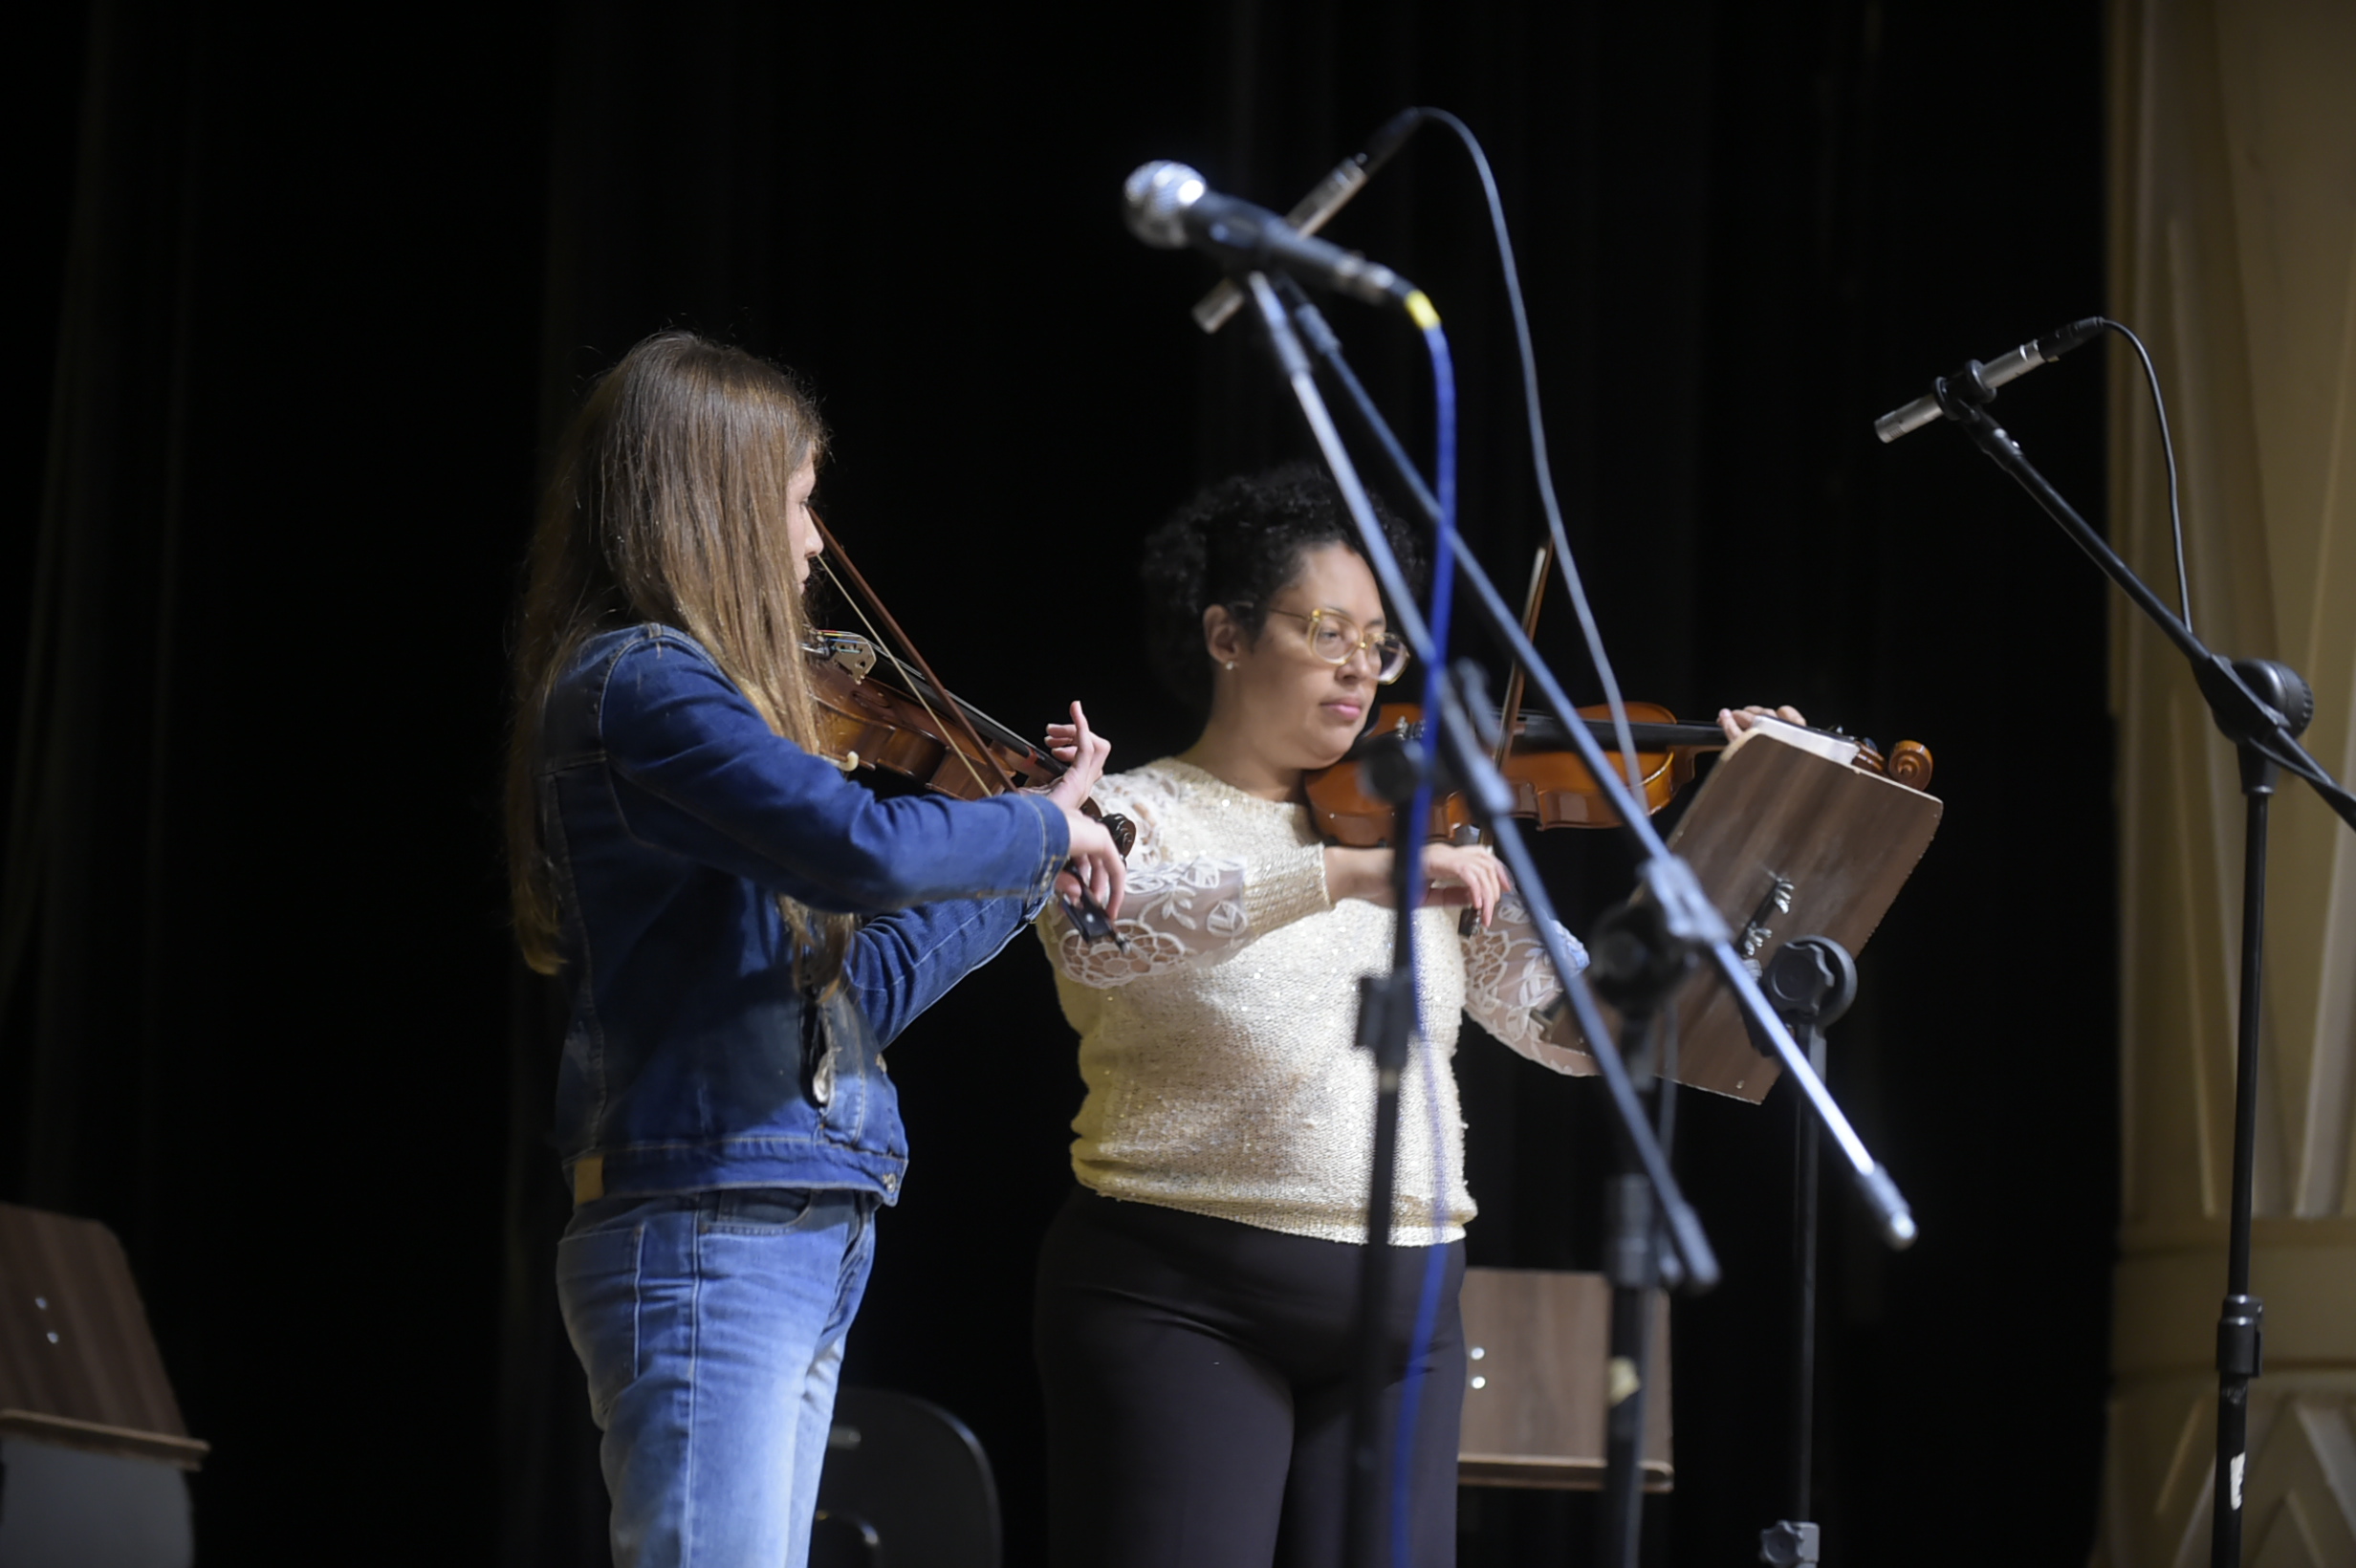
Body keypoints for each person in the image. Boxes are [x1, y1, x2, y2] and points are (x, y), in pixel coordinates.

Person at [1031, 465, 1797, 1568]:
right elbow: (1103, 934)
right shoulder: (1127, 810)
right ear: (1227, 634)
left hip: (1409, 1312)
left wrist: (1742, 830)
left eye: (1379, 643)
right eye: (1326, 631)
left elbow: (1575, 1029)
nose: (1359, 666)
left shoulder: (1424, 825)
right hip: (1177, 1295)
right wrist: (1341, 875)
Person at [504, 331, 1126, 1568]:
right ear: (722, 507)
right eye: (796, 503)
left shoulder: (711, 722)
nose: (811, 543)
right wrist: (1038, 823)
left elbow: (864, 983)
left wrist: (1033, 862)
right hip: (706, 1220)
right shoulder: (639, 682)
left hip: (798, 1216)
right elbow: (862, 850)